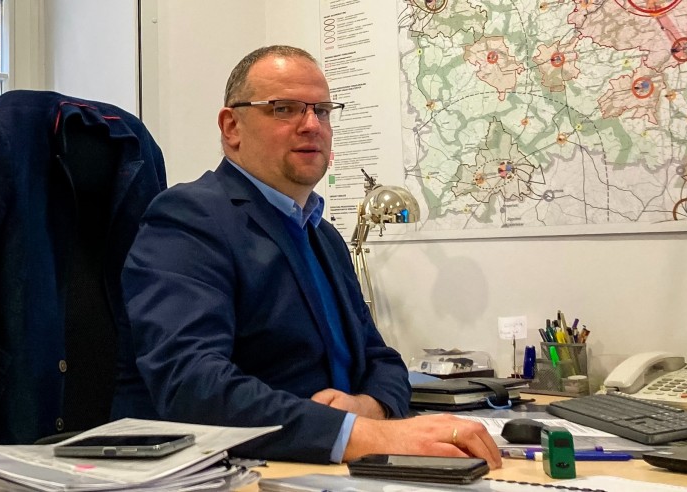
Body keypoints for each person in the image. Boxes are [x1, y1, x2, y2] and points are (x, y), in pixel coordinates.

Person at [114, 45, 501, 468]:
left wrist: (371, 407)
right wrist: (357, 434)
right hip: (256, 470)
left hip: (343, 465)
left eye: (322, 110)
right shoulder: (189, 218)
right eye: (284, 109)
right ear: (231, 127)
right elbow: (192, 384)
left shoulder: (323, 234)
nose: (312, 125)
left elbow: (381, 359)